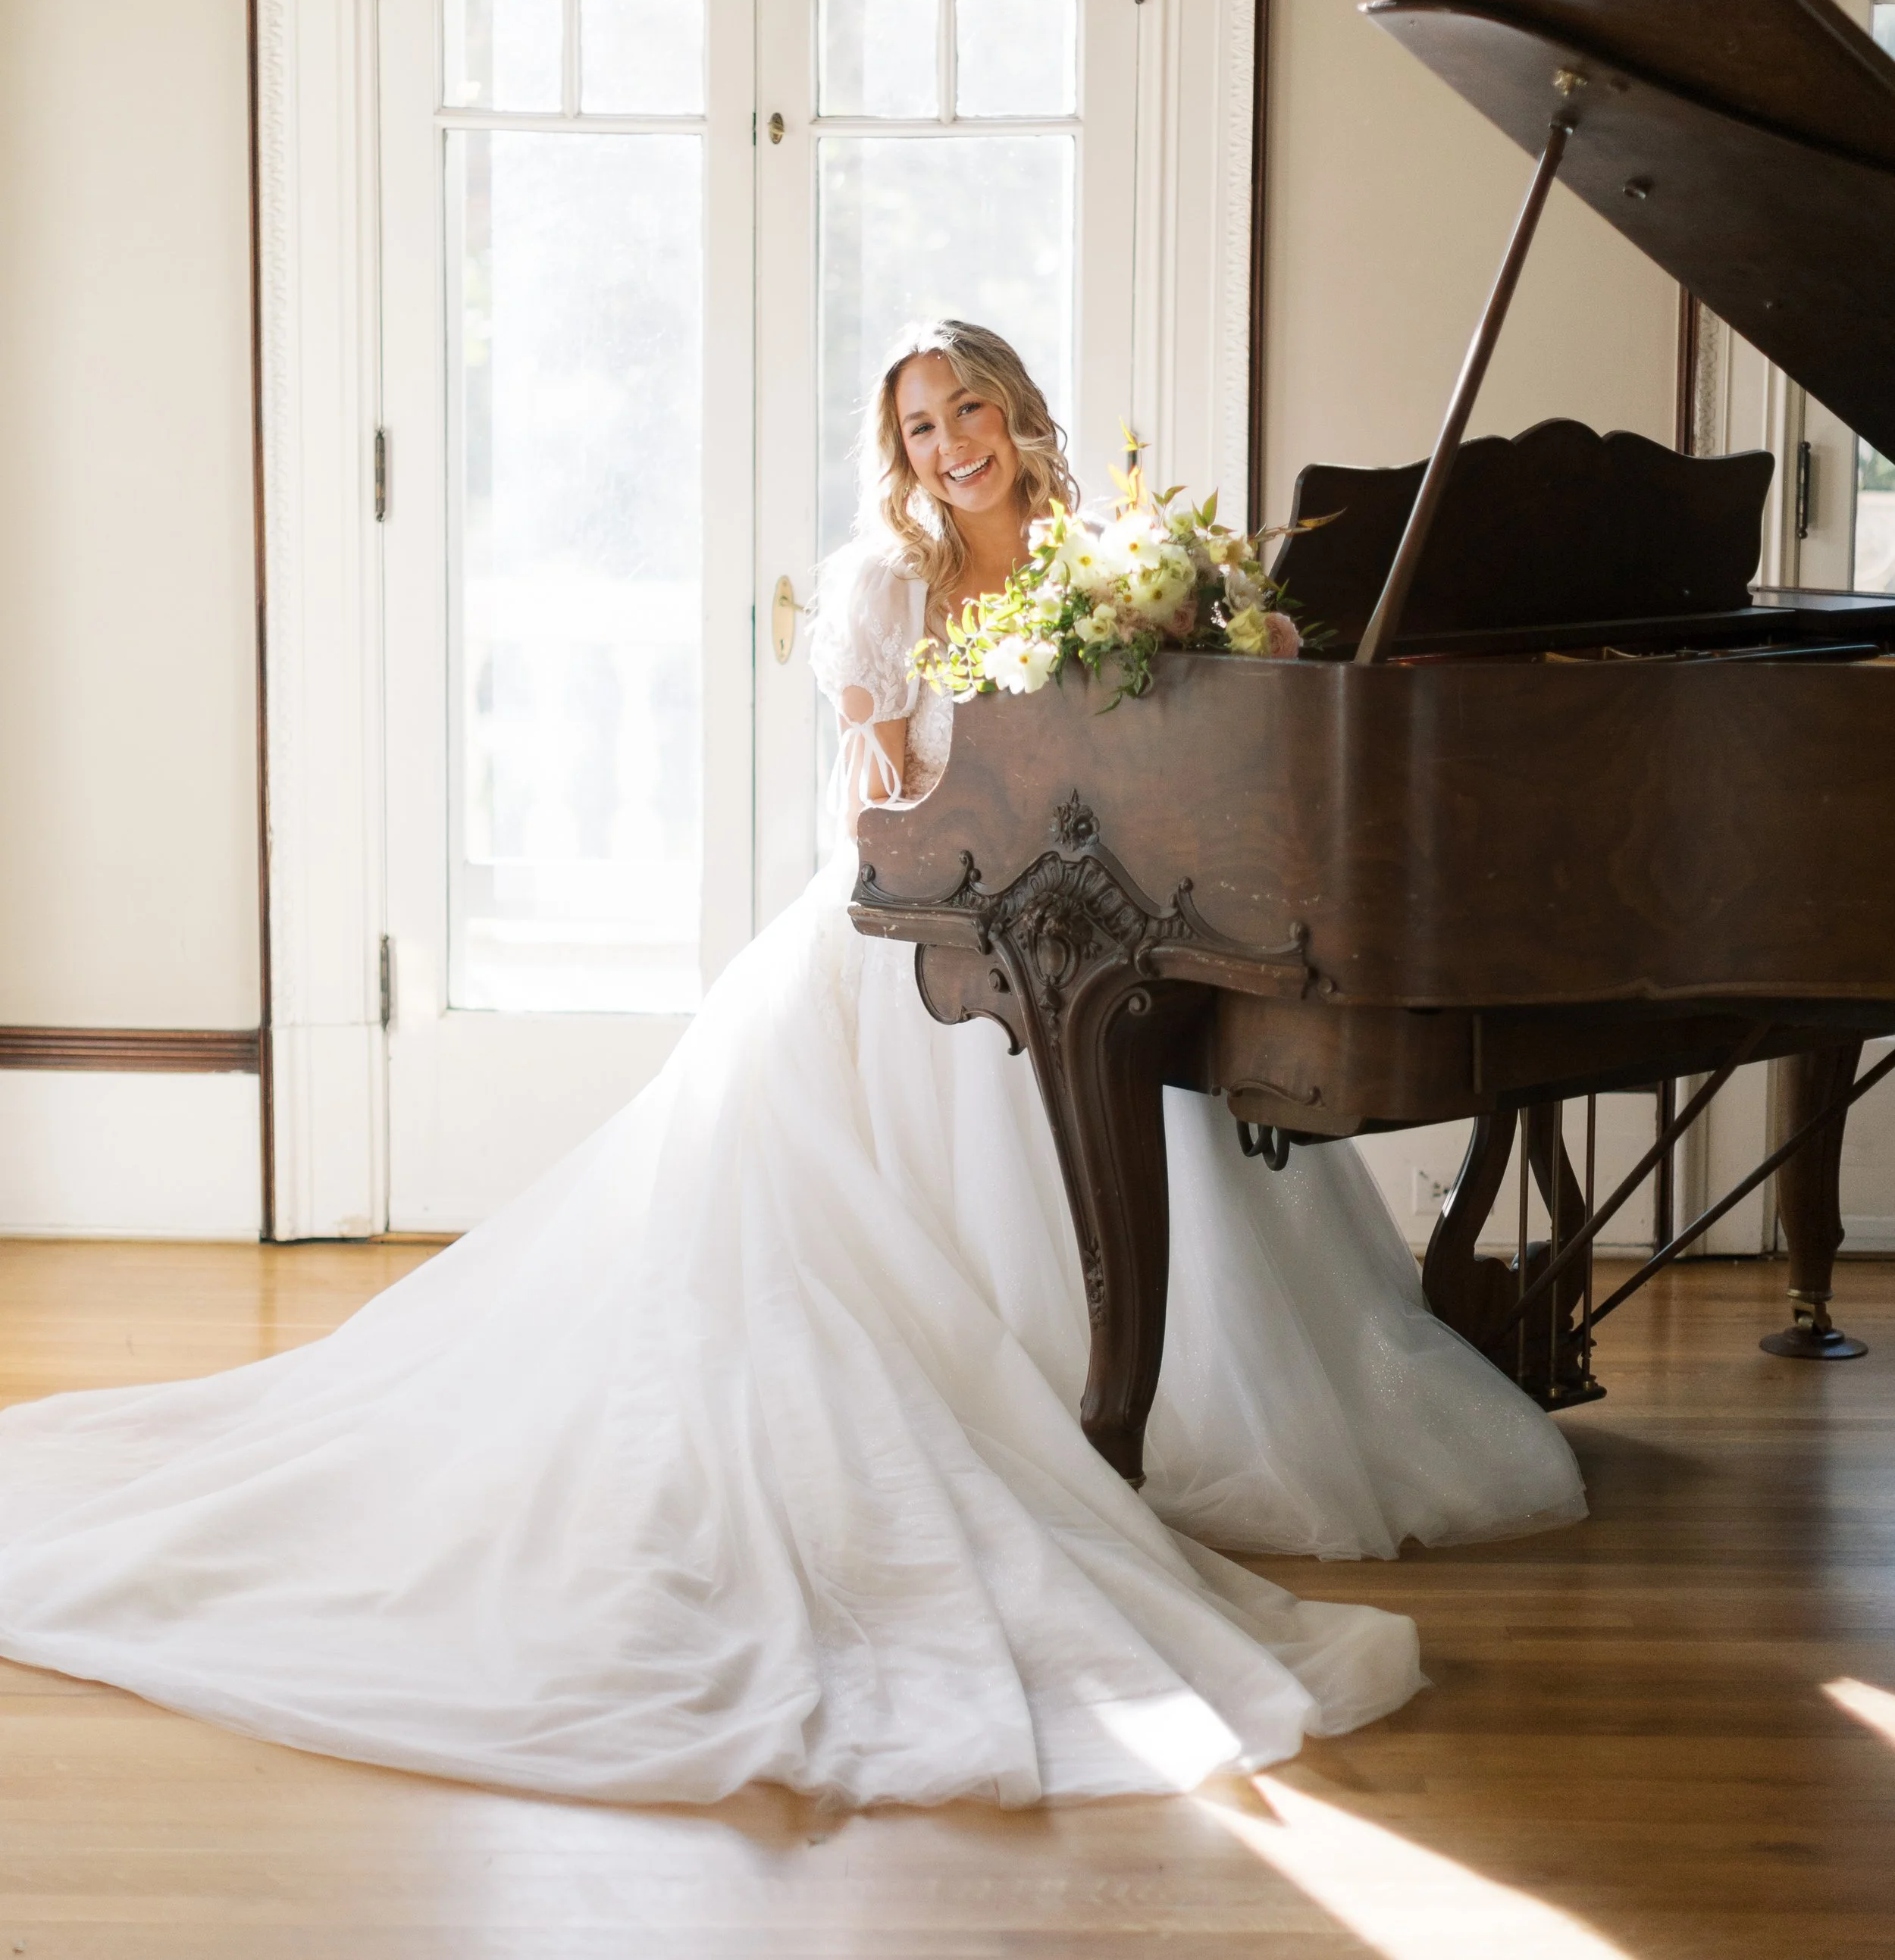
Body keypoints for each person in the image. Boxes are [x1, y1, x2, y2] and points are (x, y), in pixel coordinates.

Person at [0, 320, 1582, 1808]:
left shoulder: (1115, 557)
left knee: (1174, 1103)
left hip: (1109, 925)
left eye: (968, 405)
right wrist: (948, 787)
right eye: (918, 423)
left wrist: (1229, 640)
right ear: (895, 452)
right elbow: (874, 807)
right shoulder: (880, 582)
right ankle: (1039, 1417)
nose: (951, 441)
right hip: (925, 919)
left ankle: (1135, 1406)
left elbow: (1216, 714)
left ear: (1017, 410)